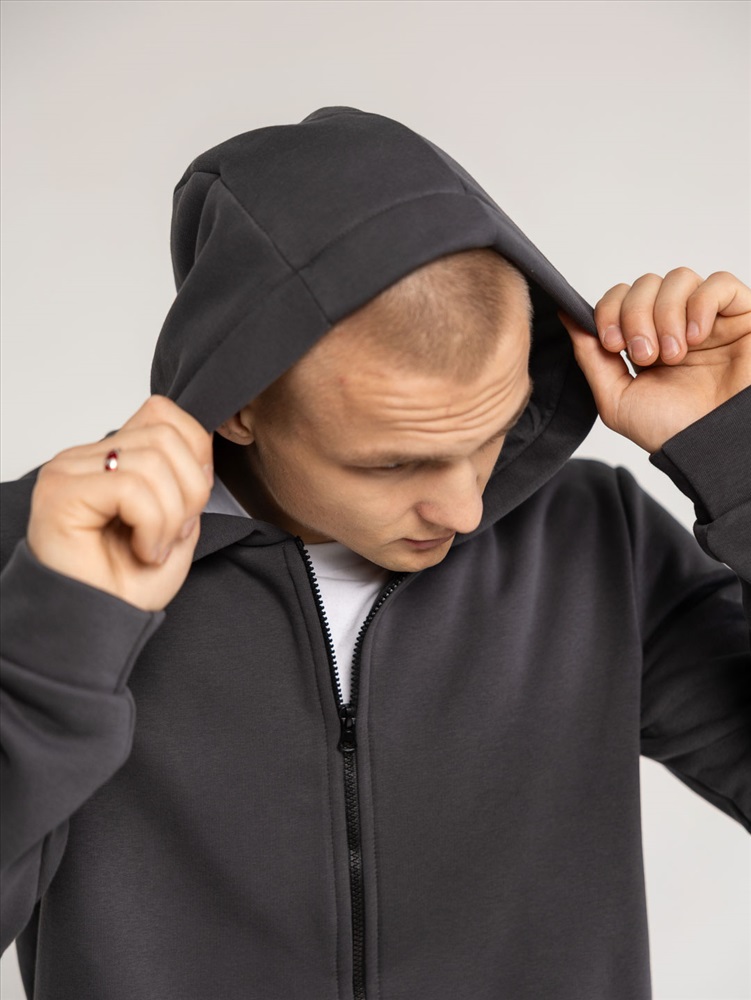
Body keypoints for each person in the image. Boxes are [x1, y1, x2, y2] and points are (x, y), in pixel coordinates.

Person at [0, 106, 748, 1000]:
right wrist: (60, 645)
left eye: (493, 433)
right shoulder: (41, 556)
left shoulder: (593, 542)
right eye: (394, 464)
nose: (464, 508)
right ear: (237, 405)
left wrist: (737, 457)